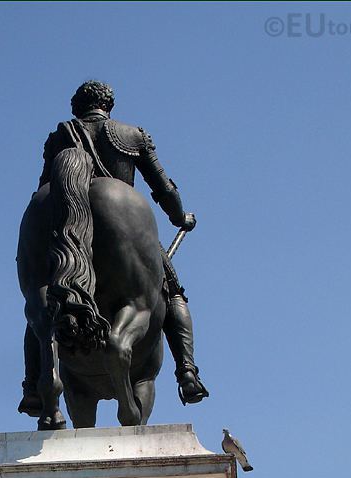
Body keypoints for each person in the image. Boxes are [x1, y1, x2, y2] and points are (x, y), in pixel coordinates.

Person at [19, 79, 209, 414]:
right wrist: (181, 217)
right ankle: (188, 372)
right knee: (173, 291)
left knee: (43, 301)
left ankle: (35, 384)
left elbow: (45, 191)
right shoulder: (132, 135)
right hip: (126, 224)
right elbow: (163, 189)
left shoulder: (60, 136)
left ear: (77, 107)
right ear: (108, 106)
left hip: (60, 222)